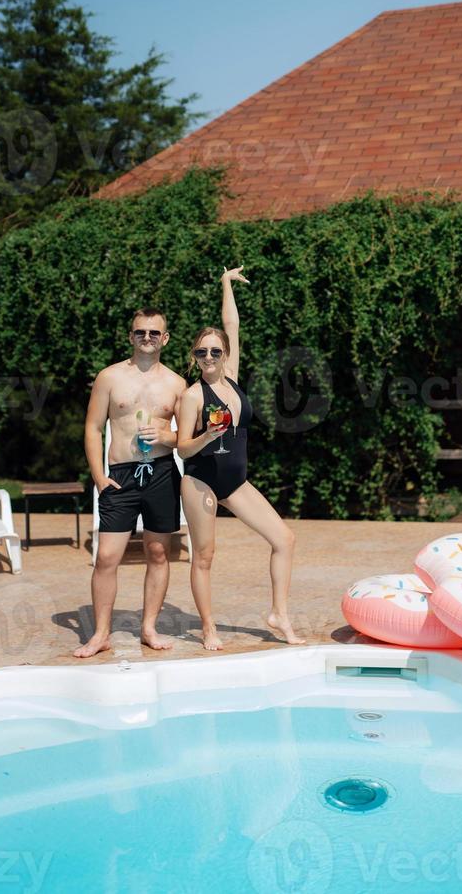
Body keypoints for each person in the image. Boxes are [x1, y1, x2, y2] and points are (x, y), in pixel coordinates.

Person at [177, 267, 305, 651]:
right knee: (204, 556)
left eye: (215, 350)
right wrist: (206, 436)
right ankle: (208, 627)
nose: (210, 356)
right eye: (202, 352)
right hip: (199, 480)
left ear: (225, 355)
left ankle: (279, 613)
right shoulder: (192, 396)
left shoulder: (231, 377)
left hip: (235, 481)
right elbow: (183, 448)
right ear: (195, 357)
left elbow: (231, 324)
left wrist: (225, 284)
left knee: (284, 538)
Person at [74, 308, 186, 658]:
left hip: (162, 473)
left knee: (157, 552)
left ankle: (148, 627)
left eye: (154, 333)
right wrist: (98, 476)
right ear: (130, 337)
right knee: (107, 557)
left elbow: (188, 436)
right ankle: (101, 634)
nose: (147, 338)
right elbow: (93, 428)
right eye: (141, 332)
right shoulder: (109, 378)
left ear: (165, 338)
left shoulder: (177, 384)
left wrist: (167, 434)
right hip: (119, 477)